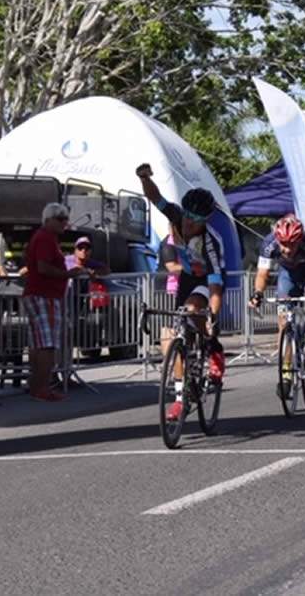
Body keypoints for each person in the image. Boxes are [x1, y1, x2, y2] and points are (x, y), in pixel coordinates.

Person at [136, 163, 225, 422]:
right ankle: (179, 397)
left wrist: (213, 316)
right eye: (187, 216)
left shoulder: (210, 243)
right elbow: (155, 197)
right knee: (179, 333)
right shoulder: (177, 216)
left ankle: (213, 348)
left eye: (195, 221)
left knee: (195, 312)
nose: (188, 223)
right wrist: (143, 177)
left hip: (208, 279)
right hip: (187, 276)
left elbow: (216, 285)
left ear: (205, 221)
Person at [249, 215, 305, 398]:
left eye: (292, 244)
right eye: (283, 244)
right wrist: (258, 294)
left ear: (300, 240)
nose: (287, 249)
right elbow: (263, 274)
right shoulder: (269, 245)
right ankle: (286, 372)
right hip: (288, 275)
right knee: (284, 322)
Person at [22, 203, 87, 401]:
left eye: (65, 218)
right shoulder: (44, 238)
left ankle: (37, 386)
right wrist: (67, 274)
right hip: (44, 295)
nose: (64, 222)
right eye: (60, 218)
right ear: (48, 219)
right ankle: (42, 386)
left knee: (39, 344)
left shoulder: (47, 238)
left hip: (42, 294)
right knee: (47, 344)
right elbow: (43, 267)